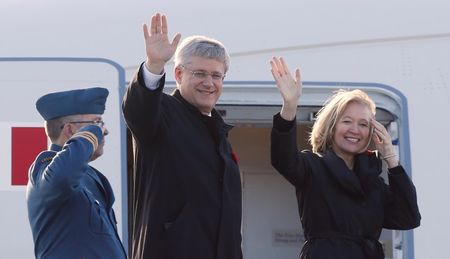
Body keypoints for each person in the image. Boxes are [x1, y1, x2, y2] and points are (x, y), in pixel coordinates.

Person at [269, 57, 421, 259]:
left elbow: (408, 218)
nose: (355, 130)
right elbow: (283, 159)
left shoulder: (373, 182)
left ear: (372, 132)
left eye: (363, 124)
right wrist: (289, 106)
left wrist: (391, 158)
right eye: (347, 121)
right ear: (331, 127)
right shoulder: (314, 167)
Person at [122, 13, 242, 259]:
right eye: (199, 73)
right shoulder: (162, 114)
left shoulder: (218, 133)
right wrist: (154, 66)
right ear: (178, 75)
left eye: (216, 75)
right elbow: (138, 109)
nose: (209, 83)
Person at [26, 87, 127, 259]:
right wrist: (91, 133)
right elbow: (62, 177)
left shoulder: (90, 176)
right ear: (70, 130)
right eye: (98, 123)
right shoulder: (45, 167)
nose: (105, 131)